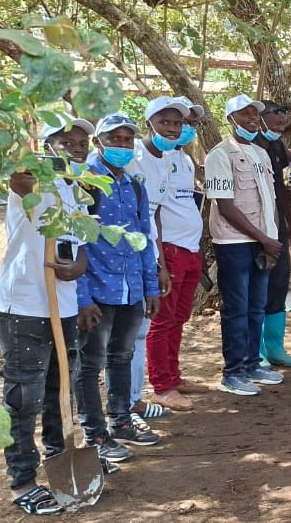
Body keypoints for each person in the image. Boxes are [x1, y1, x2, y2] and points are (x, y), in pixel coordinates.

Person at [0, 114, 93, 514]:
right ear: (48, 146)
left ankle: (61, 459)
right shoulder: (31, 185)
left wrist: (78, 267)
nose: (77, 148)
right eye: (67, 142)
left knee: (60, 390)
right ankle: (22, 480)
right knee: (24, 398)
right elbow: (18, 174)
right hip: (25, 307)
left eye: (83, 143)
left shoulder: (77, 191)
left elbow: (81, 247)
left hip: (62, 307)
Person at [76, 113, 161, 458]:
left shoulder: (134, 185)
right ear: (99, 142)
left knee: (122, 357)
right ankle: (94, 435)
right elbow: (75, 243)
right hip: (97, 290)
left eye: (128, 140)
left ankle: (121, 422)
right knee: (90, 364)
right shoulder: (85, 183)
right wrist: (82, 298)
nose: (123, 146)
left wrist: (150, 287)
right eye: (115, 140)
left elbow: (144, 238)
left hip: (130, 288)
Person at [204, 96, 285, 393]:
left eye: (254, 113)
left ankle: (252, 364)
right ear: (230, 119)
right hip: (234, 242)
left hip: (263, 242)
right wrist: (265, 239)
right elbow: (225, 206)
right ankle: (233, 373)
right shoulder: (219, 155)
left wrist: (271, 240)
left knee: (256, 308)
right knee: (236, 309)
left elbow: (270, 202)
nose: (252, 118)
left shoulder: (261, 153)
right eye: (244, 113)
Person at [141, 97, 207, 413]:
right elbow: (152, 212)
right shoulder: (148, 158)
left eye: (185, 123)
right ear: (151, 123)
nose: (179, 128)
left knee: (179, 318)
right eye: (167, 122)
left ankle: (174, 376)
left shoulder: (183, 159)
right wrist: (160, 262)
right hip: (168, 250)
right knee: (162, 320)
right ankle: (162, 386)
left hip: (190, 249)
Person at [126, 98, 177, 420]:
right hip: (120, 259)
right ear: (149, 124)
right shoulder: (132, 158)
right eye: (164, 122)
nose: (172, 129)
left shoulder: (165, 161)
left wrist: (159, 264)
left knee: (140, 332)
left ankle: (134, 400)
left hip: (147, 256)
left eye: (176, 123)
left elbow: (152, 215)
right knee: (122, 338)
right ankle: (122, 407)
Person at [254, 99, 291, 368]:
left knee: (279, 283)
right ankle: (256, 350)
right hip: (252, 226)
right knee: (257, 286)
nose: (281, 121)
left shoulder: (276, 145)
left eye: (284, 117)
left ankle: (275, 347)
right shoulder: (246, 146)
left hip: (278, 223)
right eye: (276, 115)